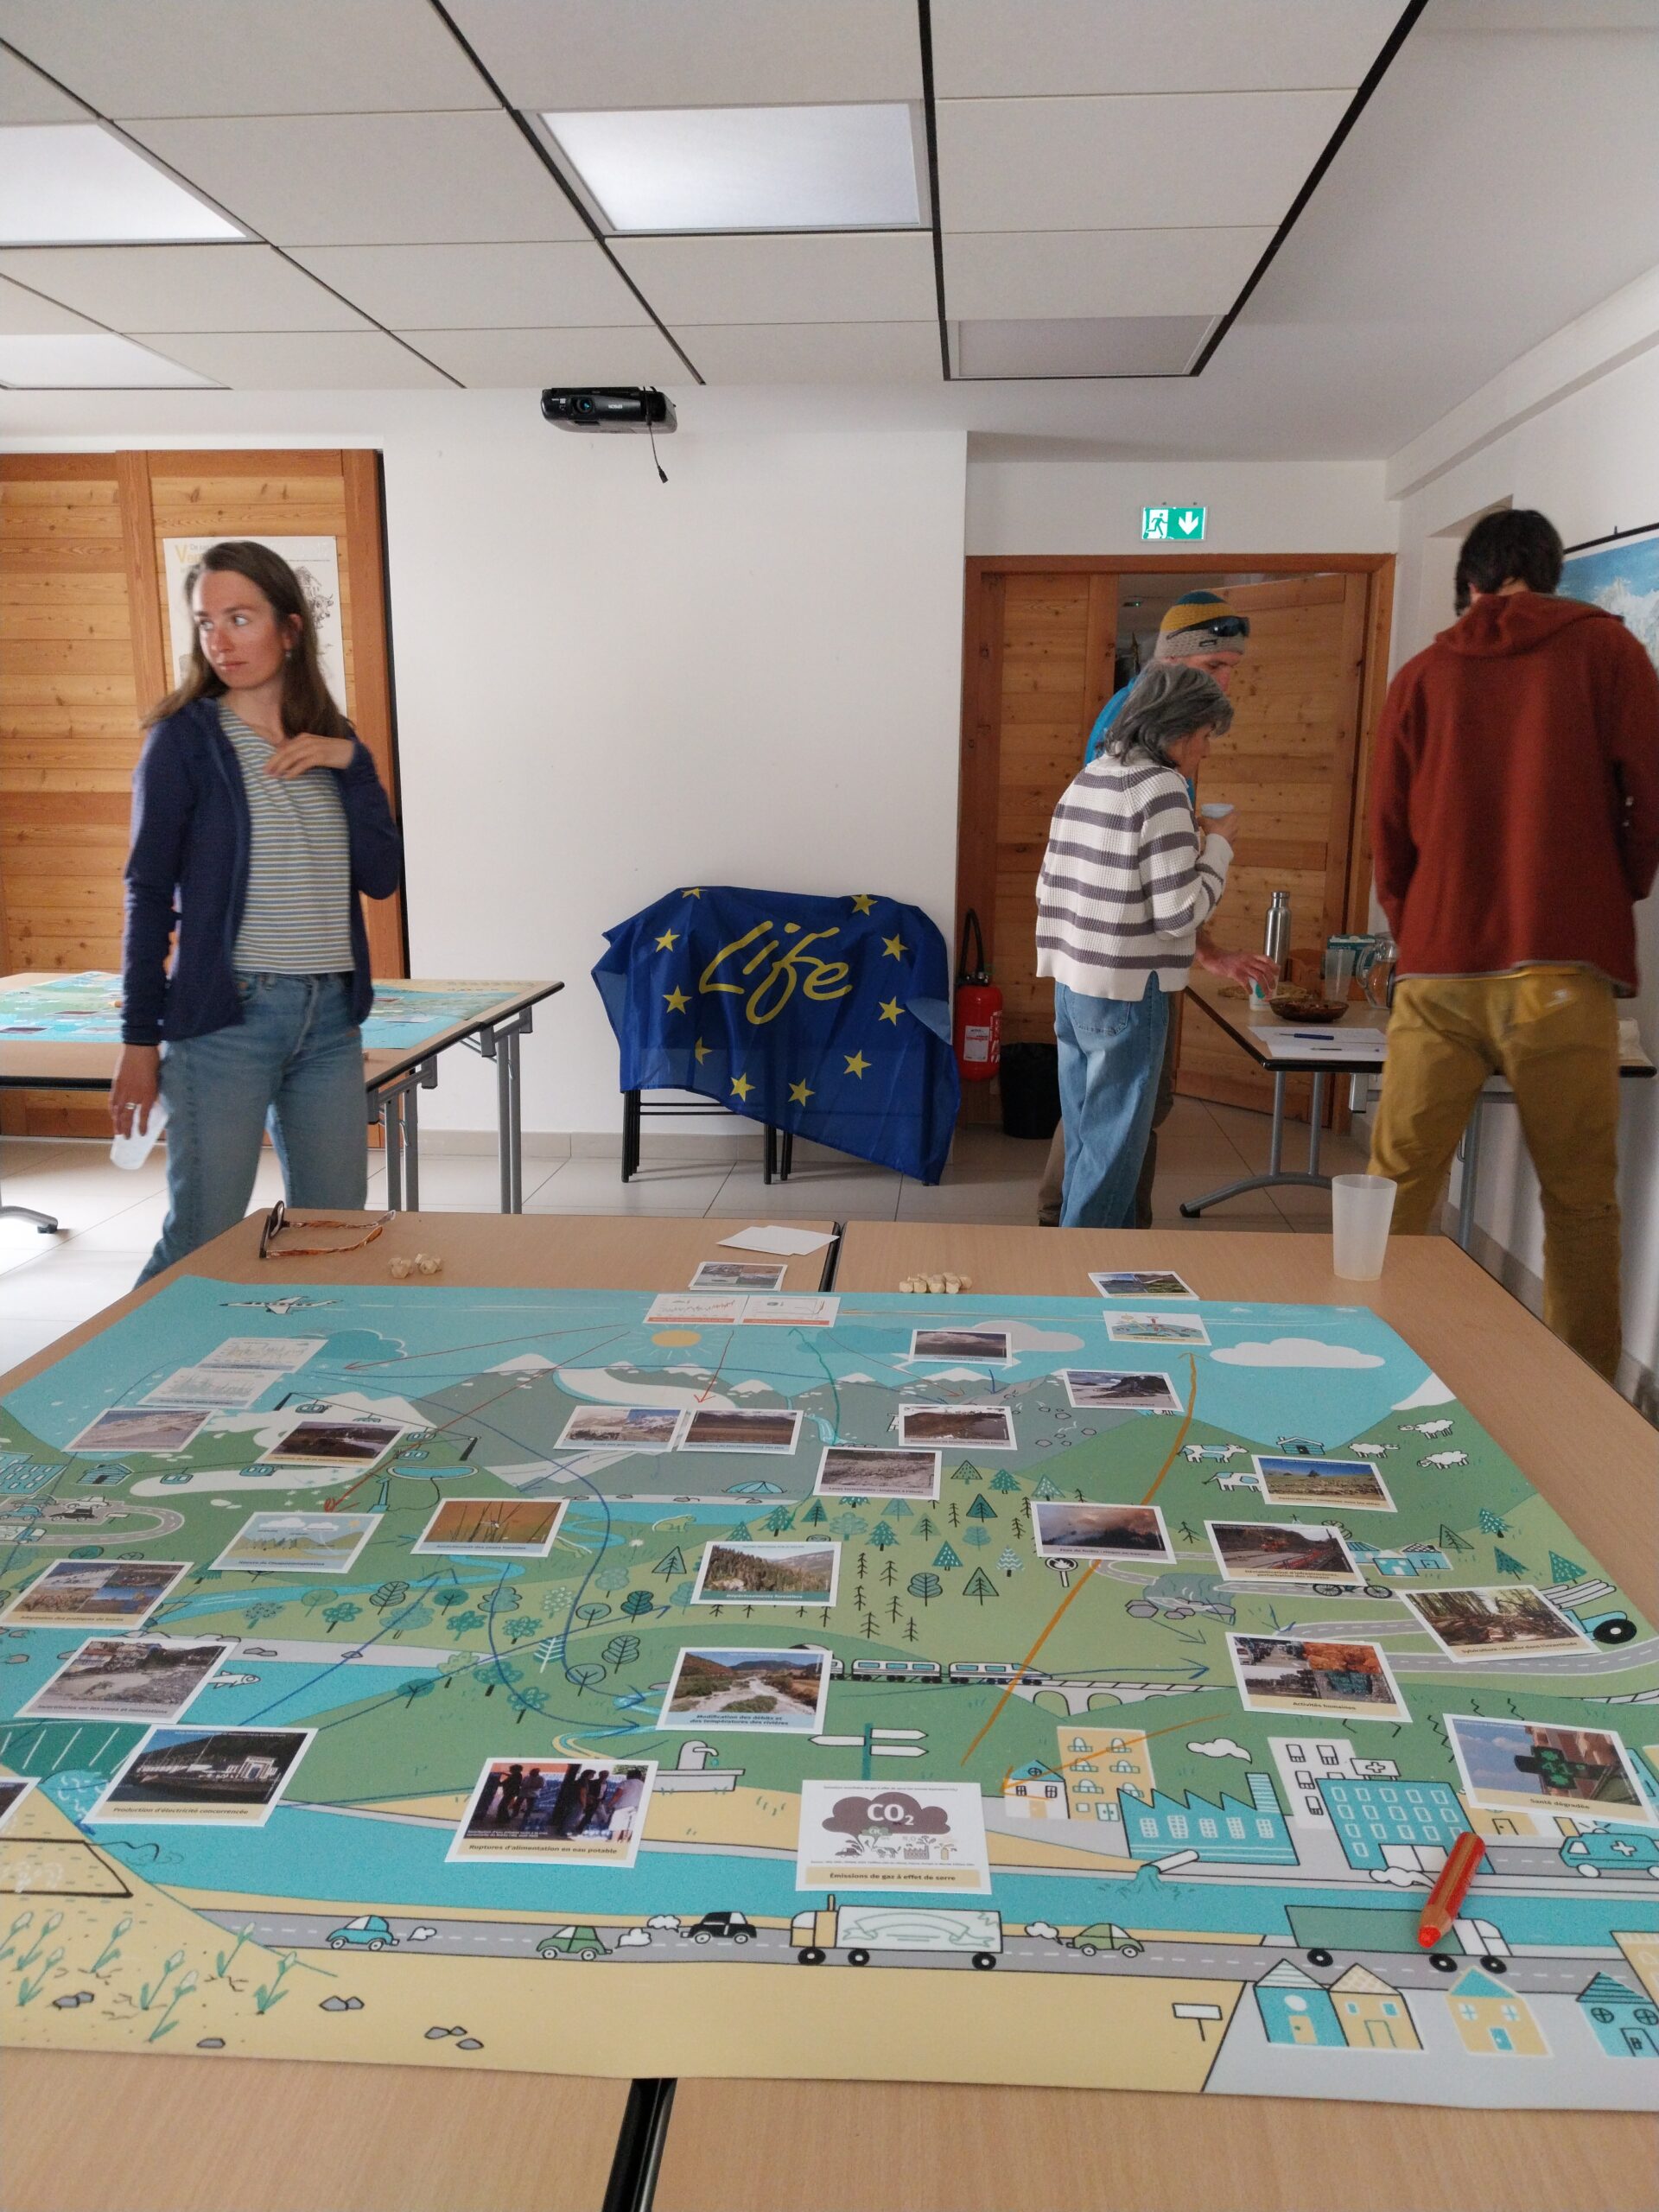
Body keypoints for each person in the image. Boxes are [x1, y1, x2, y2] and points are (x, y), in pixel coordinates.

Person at [1368, 507, 1659, 1382]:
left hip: (1440, 964)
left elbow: (1389, 833)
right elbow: (1650, 799)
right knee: (1577, 1202)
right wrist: (1614, 891)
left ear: (1470, 581)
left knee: (1396, 1186)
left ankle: (1363, 1367)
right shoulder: (1612, 655)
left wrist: (1411, 922)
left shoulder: (1421, 675)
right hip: (1562, 967)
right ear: (1552, 573)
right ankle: (1588, 1398)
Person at [111, 541, 402, 1283]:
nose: (221, 640)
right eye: (208, 622)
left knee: (334, 1230)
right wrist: (139, 1041)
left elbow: (380, 876)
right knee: (203, 1242)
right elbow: (147, 893)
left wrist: (352, 763)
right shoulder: (185, 741)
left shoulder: (335, 745)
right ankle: (107, 1392)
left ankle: (307, 1383)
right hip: (226, 1021)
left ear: (291, 629)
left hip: (329, 1020)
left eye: (240, 618)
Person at [1038, 592, 1275, 1226]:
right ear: (1178, 728)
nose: (1206, 753)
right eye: (1204, 738)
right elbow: (1178, 913)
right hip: (1129, 988)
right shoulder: (1164, 785)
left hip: (1073, 982)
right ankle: (1087, 1281)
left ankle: (1070, 1260)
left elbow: (1058, 883)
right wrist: (1218, 848)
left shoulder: (1093, 774)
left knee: (1090, 1135)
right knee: (1114, 1154)